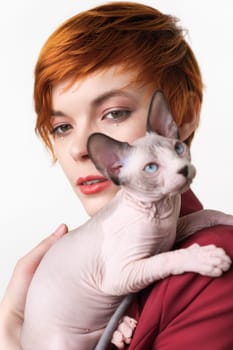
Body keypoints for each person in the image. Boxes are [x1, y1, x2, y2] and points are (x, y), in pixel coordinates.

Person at [1, 1, 233, 349]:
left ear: (181, 118)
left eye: (113, 113)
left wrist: (9, 333)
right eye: (62, 127)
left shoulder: (211, 264)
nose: (81, 148)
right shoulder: (91, 267)